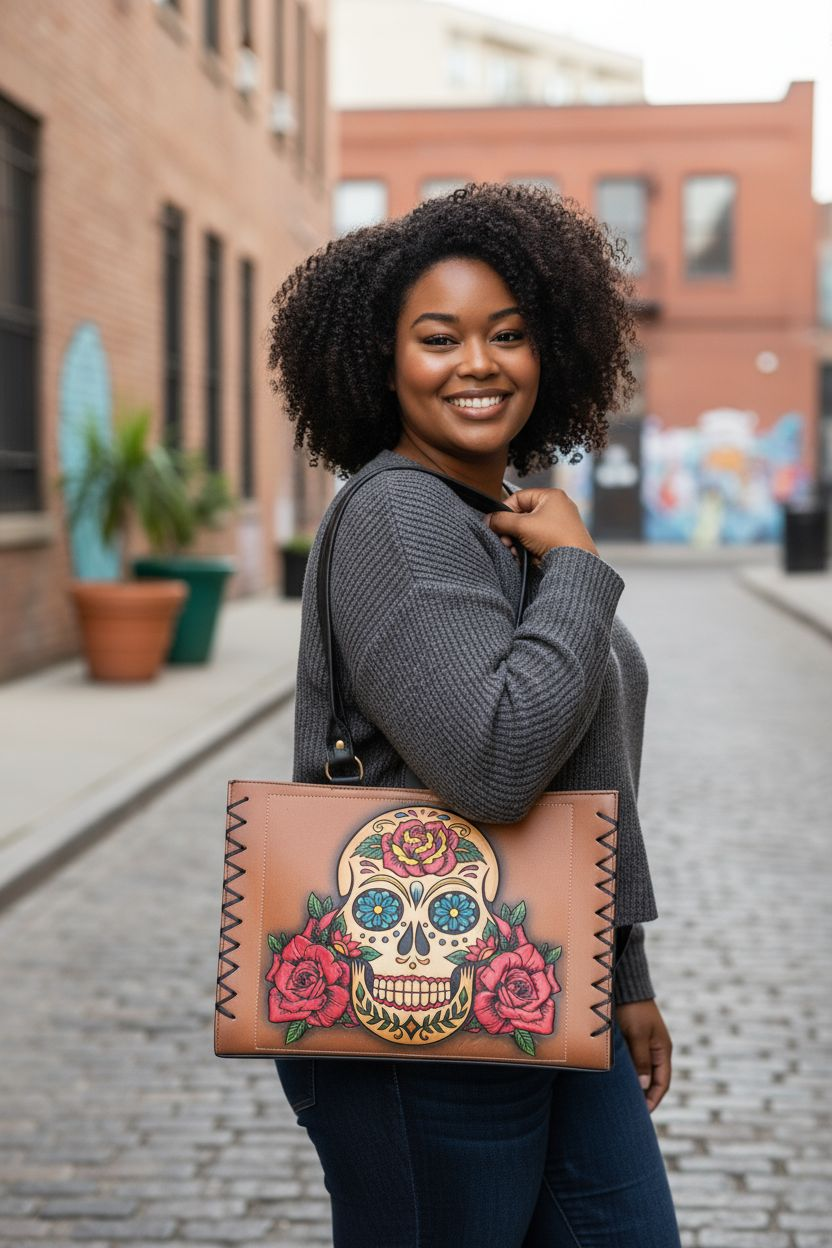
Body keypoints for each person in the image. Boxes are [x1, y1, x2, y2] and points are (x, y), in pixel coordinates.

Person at [267, 181, 681, 1247]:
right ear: (380, 358)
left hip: (546, 974)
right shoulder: (403, 517)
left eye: (508, 333)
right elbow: (496, 762)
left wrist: (620, 969)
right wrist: (580, 571)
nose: (479, 363)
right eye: (437, 337)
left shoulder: (498, 520)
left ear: (552, 351)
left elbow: (581, 762)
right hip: (418, 1006)